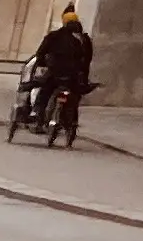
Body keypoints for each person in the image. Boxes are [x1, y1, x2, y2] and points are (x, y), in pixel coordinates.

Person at [25, 9, 95, 146]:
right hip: (74, 76)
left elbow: (40, 53)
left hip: (55, 74)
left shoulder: (54, 36)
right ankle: (72, 123)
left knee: (45, 91)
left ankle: (36, 112)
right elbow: (85, 58)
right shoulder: (82, 39)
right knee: (74, 99)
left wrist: (43, 62)